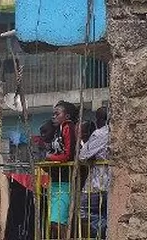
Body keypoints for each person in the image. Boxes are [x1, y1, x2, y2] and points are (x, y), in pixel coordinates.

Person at [46, 101, 78, 238]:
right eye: (53, 114)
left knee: (58, 221)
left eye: (57, 114)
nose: (54, 117)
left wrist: (50, 157)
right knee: (54, 222)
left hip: (64, 182)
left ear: (67, 116)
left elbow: (68, 155)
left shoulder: (68, 127)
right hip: (55, 181)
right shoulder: (57, 130)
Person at [79, 106, 110, 239]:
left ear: (100, 119)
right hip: (110, 184)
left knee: (86, 212)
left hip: (97, 185)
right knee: (106, 216)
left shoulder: (100, 133)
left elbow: (82, 156)